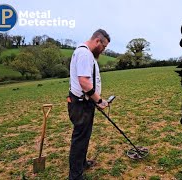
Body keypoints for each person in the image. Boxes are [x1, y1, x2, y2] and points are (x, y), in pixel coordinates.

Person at [67, 29, 110, 180]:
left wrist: (95, 100)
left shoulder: (86, 53)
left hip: (84, 102)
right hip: (81, 104)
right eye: (103, 47)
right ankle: (75, 176)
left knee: (84, 136)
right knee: (80, 139)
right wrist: (98, 100)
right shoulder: (85, 54)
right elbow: (84, 82)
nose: (103, 50)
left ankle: (82, 163)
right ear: (98, 41)